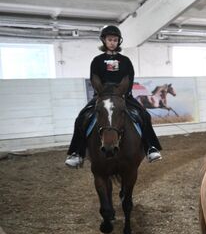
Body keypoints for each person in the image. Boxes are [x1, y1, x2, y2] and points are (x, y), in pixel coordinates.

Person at [64, 25, 163, 168]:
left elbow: (129, 77)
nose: (112, 42)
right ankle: (77, 153)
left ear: (118, 42)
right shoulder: (97, 60)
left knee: (144, 115)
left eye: (115, 40)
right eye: (110, 40)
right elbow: (94, 77)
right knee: (81, 117)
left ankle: (150, 147)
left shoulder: (125, 61)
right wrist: (100, 91)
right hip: (102, 95)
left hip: (123, 95)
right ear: (104, 40)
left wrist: (123, 92)